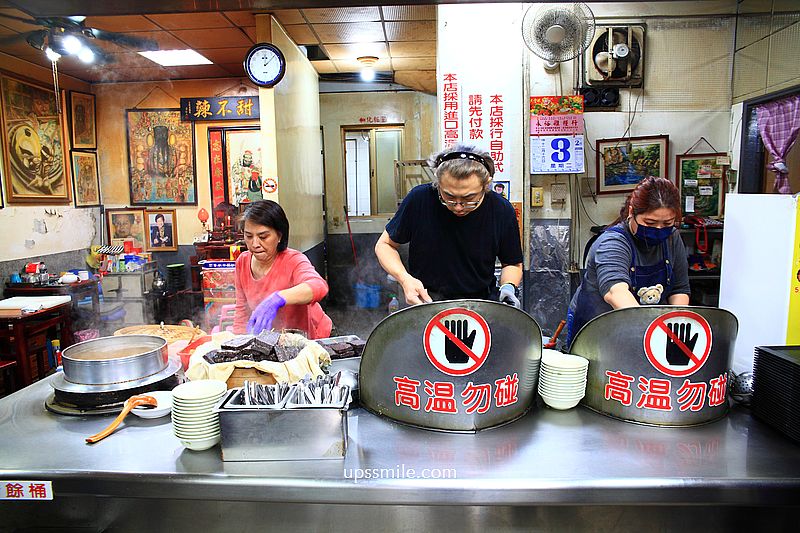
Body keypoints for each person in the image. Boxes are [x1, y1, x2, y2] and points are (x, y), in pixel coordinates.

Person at [374, 144, 523, 307]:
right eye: (449, 196)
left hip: (481, 304)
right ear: (437, 183)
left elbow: (512, 263)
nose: (458, 207)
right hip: (425, 301)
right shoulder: (419, 199)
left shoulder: (501, 209)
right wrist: (404, 278)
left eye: (469, 198)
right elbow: (385, 245)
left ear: (486, 185)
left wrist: (508, 288)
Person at [565, 176, 690, 348]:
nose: (659, 229)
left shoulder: (672, 238)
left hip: (647, 331)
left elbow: (679, 289)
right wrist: (650, 332)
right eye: (650, 222)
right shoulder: (612, 242)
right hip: (598, 330)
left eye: (667, 223)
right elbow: (616, 292)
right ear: (632, 211)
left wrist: (675, 328)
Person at [233, 200, 332, 339]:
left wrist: (277, 299)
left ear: (279, 235)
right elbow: (241, 312)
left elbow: (319, 286)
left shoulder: (293, 260)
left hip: (307, 337)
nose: (255, 244)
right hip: (272, 340)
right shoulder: (242, 262)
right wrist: (237, 342)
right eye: (249, 236)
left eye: (263, 237)